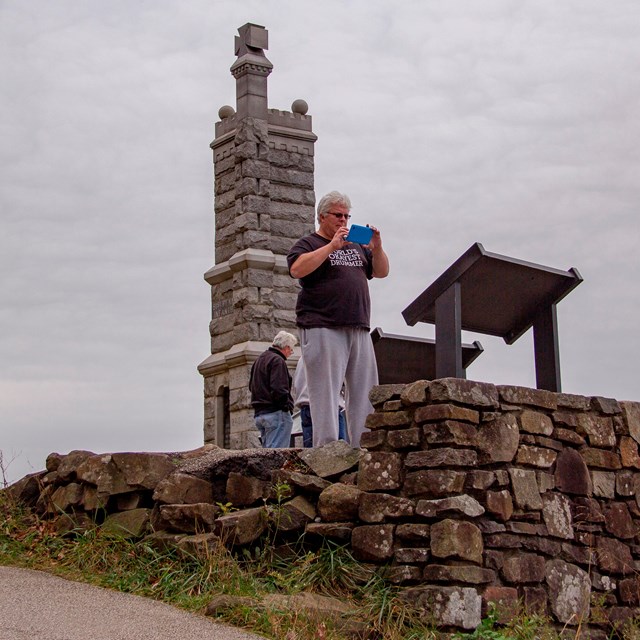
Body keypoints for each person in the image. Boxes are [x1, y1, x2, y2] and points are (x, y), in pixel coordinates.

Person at [287, 191, 390, 447]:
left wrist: (377, 248)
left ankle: (364, 446)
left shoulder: (356, 246)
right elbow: (297, 269)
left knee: (364, 392)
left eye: (346, 216)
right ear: (322, 216)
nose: (343, 221)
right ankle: (327, 450)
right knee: (325, 392)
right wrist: (331, 246)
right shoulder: (309, 243)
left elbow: (381, 271)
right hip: (323, 324)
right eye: (338, 215)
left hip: (358, 325)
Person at [249, 331, 298, 448]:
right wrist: (287, 407)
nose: (291, 353)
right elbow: (279, 389)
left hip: (260, 413)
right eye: (291, 350)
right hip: (276, 413)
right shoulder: (277, 361)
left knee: (267, 454)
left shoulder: (259, 360)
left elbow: (252, 386)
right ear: (286, 347)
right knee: (277, 454)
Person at [292, 356, 347, 448]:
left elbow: (297, 382)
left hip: (306, 404)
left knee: (310, 448)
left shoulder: (303, 357)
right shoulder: (330, 354)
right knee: (337, 448)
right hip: (328, 405)